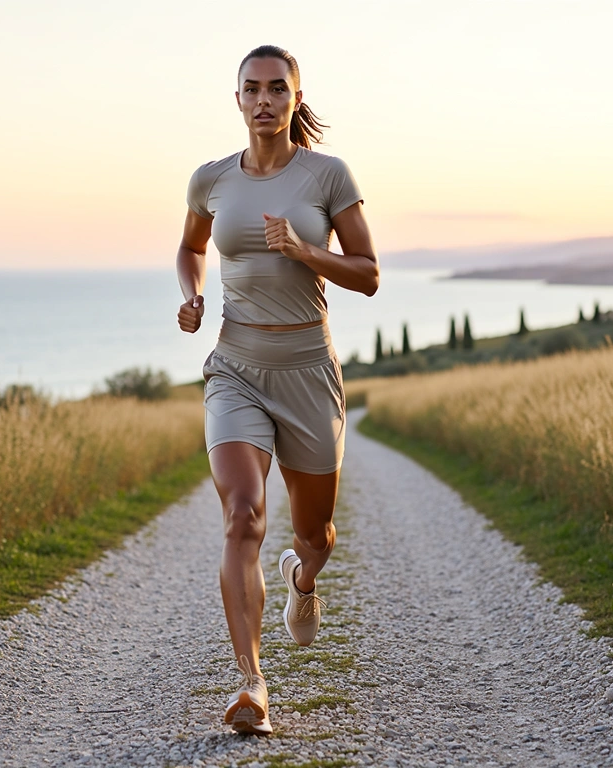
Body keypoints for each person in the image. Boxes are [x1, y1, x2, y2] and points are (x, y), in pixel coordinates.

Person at [175, 44, 379, 735]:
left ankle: (303, 577)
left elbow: (368, 273)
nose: (264, 100)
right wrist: (192, 296)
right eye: (252, 89)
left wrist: (305, 251)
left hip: (308, 372)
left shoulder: (328, 175)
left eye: (276, 89)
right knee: (243, 516)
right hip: (236, 366)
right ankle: (252, 685)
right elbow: (190, 247)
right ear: (237, 99)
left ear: (295, 97)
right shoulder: (211, 179)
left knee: (315, 534)